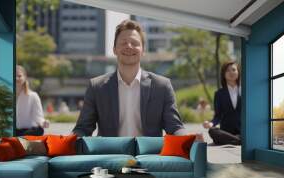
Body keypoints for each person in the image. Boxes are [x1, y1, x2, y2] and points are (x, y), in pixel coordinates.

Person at [72, 19, 202, 140]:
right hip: (110, 158)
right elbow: (83, 128)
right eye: (123, 43)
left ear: (143, 50)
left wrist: (189, 140)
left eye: (135, 43)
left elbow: (174, 127)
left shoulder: (162, 86)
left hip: (149, 159)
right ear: (114, 50)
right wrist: (65, 142)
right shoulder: (96, 87)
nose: (129, 46)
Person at [203, 61, 241, 145]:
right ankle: (239, 141)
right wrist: (210, 123)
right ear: (223, 74)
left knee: (248, 134)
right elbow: (218, 116)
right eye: (228, 70)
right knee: (213, 131)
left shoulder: (245, 91)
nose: (231, 72)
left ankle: (236, 140)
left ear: (238, 72)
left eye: (234, 70)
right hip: (226, 132)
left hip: (242, 130)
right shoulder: (219, 94)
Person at [16, 65, 49, 136]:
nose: (16, 78)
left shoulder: (33, 95)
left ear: (25, 77)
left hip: (28, 131)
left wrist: (43, 122)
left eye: (19, 76)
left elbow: (38, 116)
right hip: (13, 131)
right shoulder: (7, 96)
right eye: (14, 76)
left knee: (39, 130)